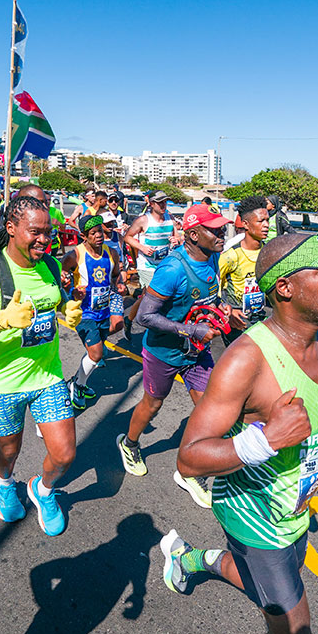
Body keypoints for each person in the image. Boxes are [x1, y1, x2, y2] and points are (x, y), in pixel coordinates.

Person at [163, 233, 318, 634]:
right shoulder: (245, 360)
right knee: (292, 629)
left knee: (275, 588)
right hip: (253, 512)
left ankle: (195, 559)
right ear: (284, 288)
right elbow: (189, 459)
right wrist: (267, 440)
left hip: (297, 505)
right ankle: (202, 560)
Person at [0, 196, 83, 537]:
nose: (44, 240)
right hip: (3, 384)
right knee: (8, 451)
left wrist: (64, 312)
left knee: (65, 455)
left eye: (49, 232)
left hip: (48, 377)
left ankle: (42, 490)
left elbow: (48, 305)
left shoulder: (51, 266)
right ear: (11, 229)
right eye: (35, 232)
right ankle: (6, 482)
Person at [118, 204, 230, 509]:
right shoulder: (172, 269)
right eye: (215, 229)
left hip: (197, 353)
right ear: (193, 235)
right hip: (163, 352)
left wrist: (223, 310)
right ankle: (129, 444)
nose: (222, 233)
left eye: (222, 227)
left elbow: (211, 297)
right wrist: (190, 330)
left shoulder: (214, 257)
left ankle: (190, 471)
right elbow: (145, 316)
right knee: (152, 405)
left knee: (209, 409)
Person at [61, 215, 126, 410]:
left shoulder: (112, 253)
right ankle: (78, 386)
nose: (99, 235)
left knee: (93, 353)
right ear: (83, 236)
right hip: (83, 312)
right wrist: (72, 291)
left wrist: (120, 285)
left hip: (103, 310)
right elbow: (61, 283)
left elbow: (115, 277)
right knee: (97, 353)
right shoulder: (74, 256)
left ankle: (77, 382)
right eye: (94, 233)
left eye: (100, 231)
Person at [123, 190, 180, 327]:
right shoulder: (143, 220)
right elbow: (127, 237)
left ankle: (129, 319)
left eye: (165, 202)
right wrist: (142, 248)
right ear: (152, 203)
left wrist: (176, 239)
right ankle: (154, 327)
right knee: (156, 296)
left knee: (146, 296)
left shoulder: (170, 218)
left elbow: (178, 236)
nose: (163, 205)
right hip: (147, 265)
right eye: (160, 202)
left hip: (164, 264)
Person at [219, 196, 270, 343]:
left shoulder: (268, 252)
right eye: (261, 221)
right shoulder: (231, 256)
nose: (266, 225)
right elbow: (215, 289)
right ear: (246, 224)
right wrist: (227, 312)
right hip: (236, 320)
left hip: (259, 316)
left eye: (267, 220)